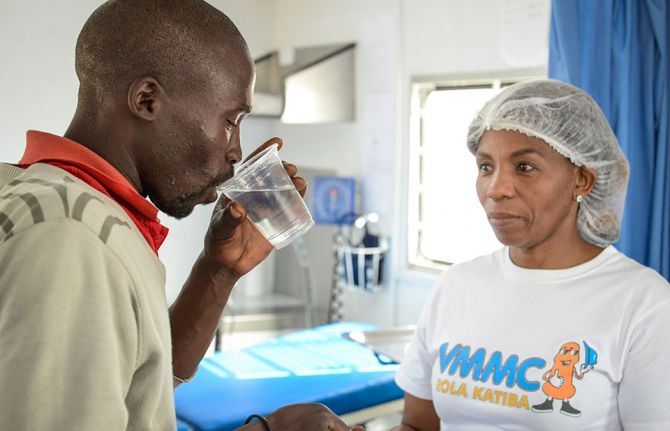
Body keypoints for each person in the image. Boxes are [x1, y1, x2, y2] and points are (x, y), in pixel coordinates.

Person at [0, 1, 363, 430]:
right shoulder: (72, 239)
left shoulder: (53, 199)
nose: (237, 152)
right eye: (231, 120)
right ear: (147, 100)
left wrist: (219, 270)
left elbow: (140, 382)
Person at [393, 79, 670, 430]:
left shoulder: (643, 304)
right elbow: (417, 427)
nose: (497, 189)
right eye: (485, 167)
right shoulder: (455, 286)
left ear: (581, 180)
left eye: (524, 167)